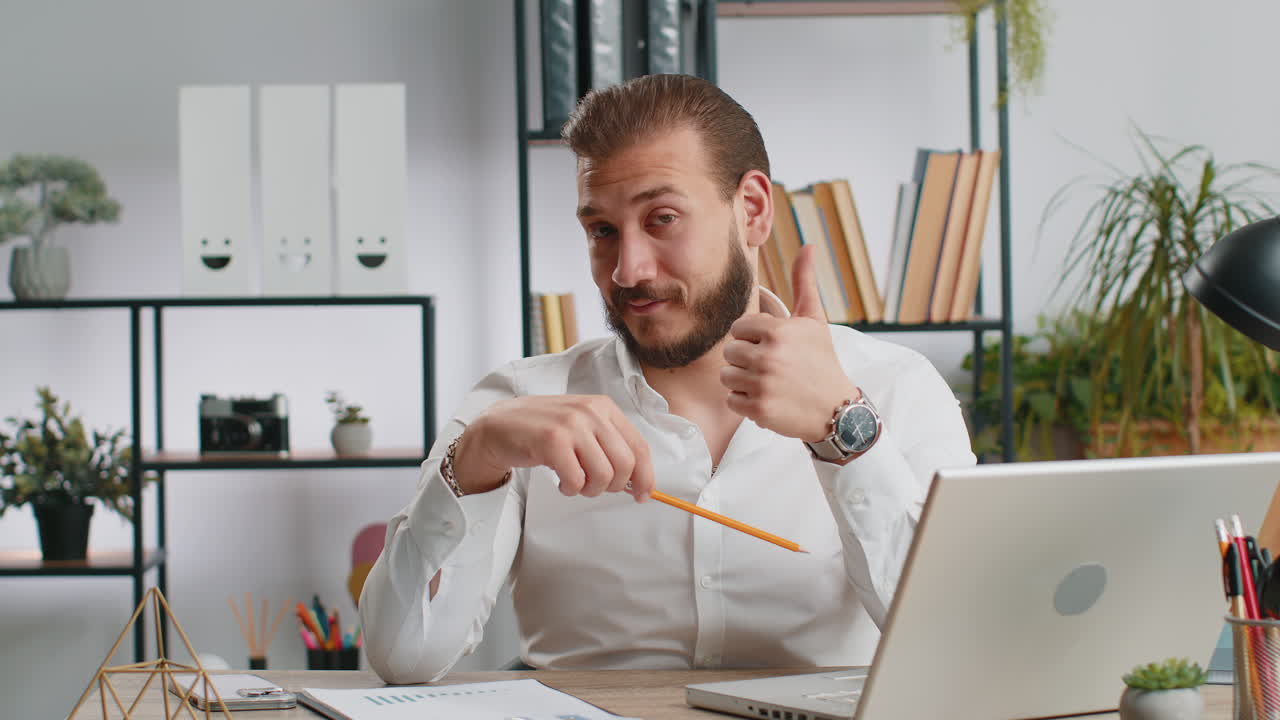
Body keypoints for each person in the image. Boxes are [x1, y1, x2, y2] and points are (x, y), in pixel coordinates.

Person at [359, 74, 975, 684]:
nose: (628, 270)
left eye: (662, 219)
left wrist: (846, 430)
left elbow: (958, 650)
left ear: (753, 210)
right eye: (602, 231)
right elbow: (402, 657)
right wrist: (475, 461)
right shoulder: (519, 403)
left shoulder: (897, 388)